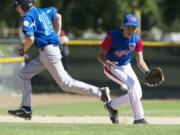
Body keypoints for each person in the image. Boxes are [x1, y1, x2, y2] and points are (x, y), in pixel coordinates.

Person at [8, 0, 111, 120]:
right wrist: (57, 35)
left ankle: (100, 93)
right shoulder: (43, 11)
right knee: (24, 74)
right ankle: (26, 109)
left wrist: (23, 50)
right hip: (47, 53)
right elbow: (58, 17)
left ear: (25, 7)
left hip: (48, 53)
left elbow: (30, 39)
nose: (17, 9)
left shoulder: (28, 17)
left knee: (66, 84)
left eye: (18, 7)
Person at [97, 13, 149, 124]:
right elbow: (100, 55)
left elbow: (140, 62)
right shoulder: (112, 36)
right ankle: (139, 118)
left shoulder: (137, 39)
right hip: (111, 67)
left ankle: (112, 106)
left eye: (133, 28)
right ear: (122, 26)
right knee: (131, 86)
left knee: (138, 94)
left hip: (126, 66)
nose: (130, 30)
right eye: (128, 27)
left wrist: (147, 72)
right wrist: (108, 63)